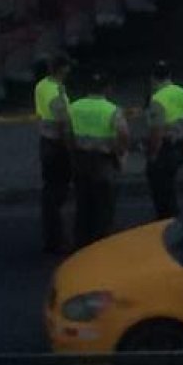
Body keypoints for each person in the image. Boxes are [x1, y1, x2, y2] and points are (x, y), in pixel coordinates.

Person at [69, 71, 130, 248]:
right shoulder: (111, 109)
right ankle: (101, 245)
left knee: (83, 203)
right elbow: (124, 134)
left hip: (81, 159)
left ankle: (80, 244)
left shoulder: (74, 107)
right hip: (103, 161)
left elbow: (66, 132)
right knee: (104, 205)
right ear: (107, 88)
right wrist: (119, 152)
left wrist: (73, 150)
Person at [35, 53, 74, 254]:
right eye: (67, 67)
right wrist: (70, 149)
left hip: (45, 141)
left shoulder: (42, 86)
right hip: (56, 146)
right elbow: (62, 125)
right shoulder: (56, 94)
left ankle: (51, 236)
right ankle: (56, 239)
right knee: (58, 192)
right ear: (62, 69)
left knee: (49, 191)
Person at [145, 61, 183, 220]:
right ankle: (173, 219)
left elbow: (156, 132)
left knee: (161, 192)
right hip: (179, 144)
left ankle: (166, 223)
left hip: (163, 150)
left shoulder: (157, 99)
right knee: (170, 187)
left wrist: (152, 155)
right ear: (170, 75)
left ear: (153, 78)